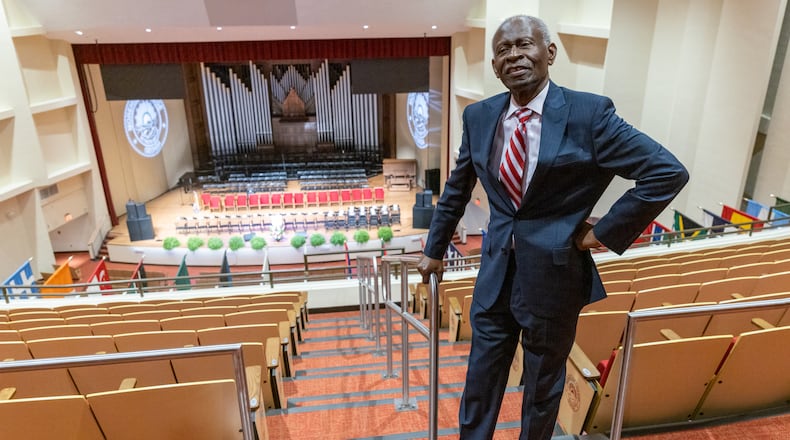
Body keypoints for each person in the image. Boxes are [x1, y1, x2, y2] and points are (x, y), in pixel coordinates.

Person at [416, 15, 689, 440]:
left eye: (523, 45)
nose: (514, 56)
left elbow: (666, 172)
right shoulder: (480, 116)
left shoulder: (590, 114)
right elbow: (456, 188)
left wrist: (603, 231)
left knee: (542, 390)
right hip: (495, 278)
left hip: (556, 277)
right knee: (479, 384)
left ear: (549, 53)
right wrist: (434, 249)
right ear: (494, 66)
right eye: (503, 50)